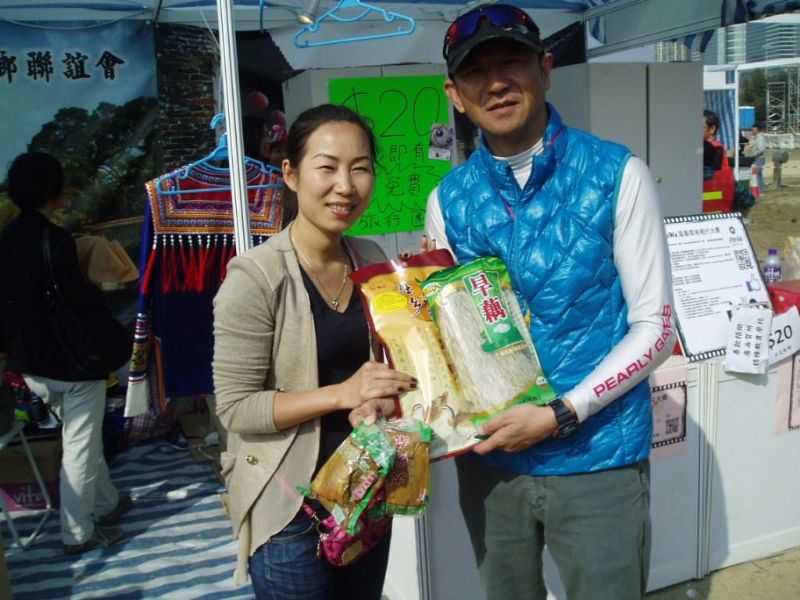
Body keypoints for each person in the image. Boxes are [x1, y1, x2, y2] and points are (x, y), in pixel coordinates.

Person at [424, 5, 675, 599]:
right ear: (455, 95)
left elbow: (657, 329)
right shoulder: (446, 200)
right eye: (475, 71)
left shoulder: (618, 174)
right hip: (492, 462)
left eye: (512, 61)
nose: (496, 83)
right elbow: (447, 340)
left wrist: (563, 412)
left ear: (545, 69)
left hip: (597, 457)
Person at [212, 104, 414, 599]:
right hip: (290, 509)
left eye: (360, 168)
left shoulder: (371, 259)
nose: (345, 186)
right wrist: (342, 394)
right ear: (291, 174)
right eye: (327, 167)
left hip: (364, 493)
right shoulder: (255, 276)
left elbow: (384, 371)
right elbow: (236, 408)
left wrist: (382, 397)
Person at [0, 151, 132, 554]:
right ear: (52, 191)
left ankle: (107, 503)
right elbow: (76, 299)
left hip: (30, 365)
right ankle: (78, 534)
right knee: (79, 446)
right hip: (71, 362)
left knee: (81, 438)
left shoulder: (5, 239)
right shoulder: (55, 240)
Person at [702, 109, 735, 212]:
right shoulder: (718, 149)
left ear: (712, 129)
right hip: (719, 211)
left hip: (709, 211)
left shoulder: (713, 151)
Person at [748, 122, 767, 192]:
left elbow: (761, 149)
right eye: (752, 130)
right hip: (757, 158)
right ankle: (761, 188)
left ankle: (760, 189)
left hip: (759, 158)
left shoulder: (760, 138)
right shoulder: (755, 137)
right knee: (758, 174)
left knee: (756, 174)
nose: (752, 131)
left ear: (758, 130)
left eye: (753, 130)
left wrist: (754, 154)